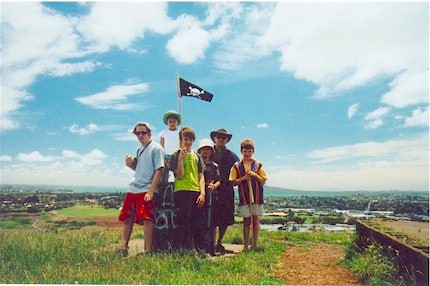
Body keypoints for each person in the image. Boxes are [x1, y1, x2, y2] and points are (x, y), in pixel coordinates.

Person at [119, 122, 165, 256]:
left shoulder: (156, 148)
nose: (140, 135)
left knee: (147, 218)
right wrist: (130, 165)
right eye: (137, 133)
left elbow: (159, 169)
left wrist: (151, 191)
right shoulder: (139, 149)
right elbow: (139, 169)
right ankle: (123, 246)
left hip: (146, 188)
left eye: (143, 132)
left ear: (149, 133)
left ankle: (148, 250)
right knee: (127, 217)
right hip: (134, 187)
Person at [169, 127, 207, 254]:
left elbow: (201, 175)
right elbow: (179, 175)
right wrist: (180, 159)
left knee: (198, 222)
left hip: (195, 191)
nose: (188, 142)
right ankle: (184, 250)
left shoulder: (197, 156)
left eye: (190, 139)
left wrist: (202, 193)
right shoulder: (175, 155)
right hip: (181, 191)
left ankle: (200, 250)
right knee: (183, 221)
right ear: (181, 140)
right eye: (185, 139)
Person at [229, 139, 267, 251]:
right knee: (246, 221)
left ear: (253, 152)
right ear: (241, 151)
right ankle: (245, 245)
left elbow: (263, 181)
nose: (247, 154)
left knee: (255, 220)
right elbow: (233, 182)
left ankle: (255, 244)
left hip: (256, 197)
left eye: (249, 151)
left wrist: (255, 175)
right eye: (245, 151)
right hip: (244, 197)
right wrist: (244, 178)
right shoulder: (236, 166)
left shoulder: (258, 165)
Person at [209, 128, 239, 254]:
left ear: (226, 140)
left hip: (226, 189)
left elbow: (239, 168)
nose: (221, 139)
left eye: (223, 137)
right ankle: (210, 243)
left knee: (225, 218)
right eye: (219, 137)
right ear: (214, 138)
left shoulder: (232, 155)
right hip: (210, 189)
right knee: (211, 218)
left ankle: (219, 242)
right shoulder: (208, 152)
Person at [197, 139, 220, 256]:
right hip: (199, 195)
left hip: (211, 196)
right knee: (200, 221)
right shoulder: (195, 162)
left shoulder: (214, 165)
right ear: (200, 150)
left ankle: (212, 247)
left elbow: (218, 180)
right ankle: (200, 246)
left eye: (208, 149)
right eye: (203, 149)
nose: (206, 151)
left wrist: (213, 186)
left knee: (212, 223)